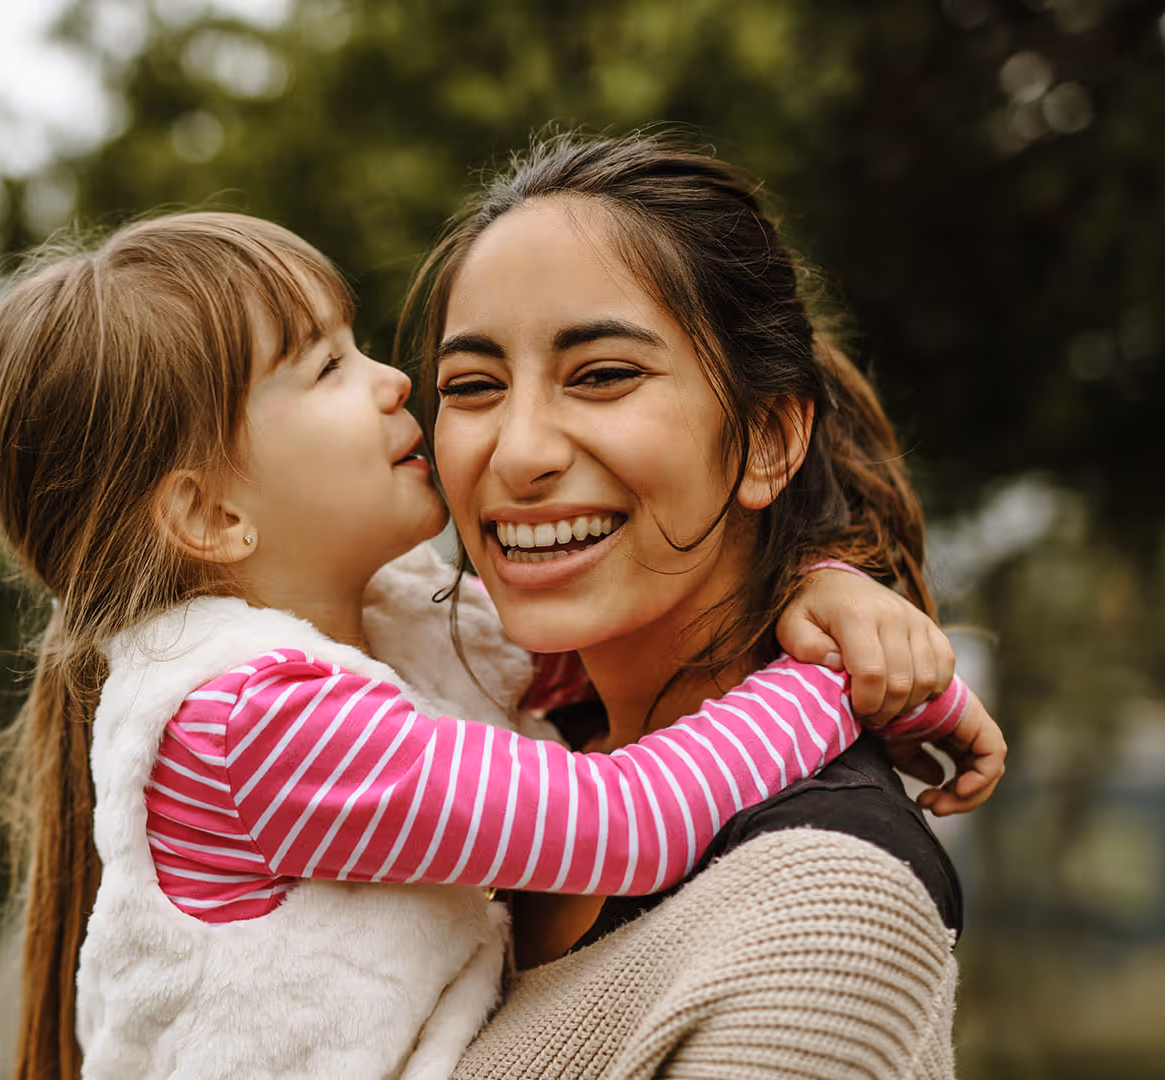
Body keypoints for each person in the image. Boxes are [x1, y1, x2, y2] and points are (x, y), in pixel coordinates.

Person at [0, 211, 1000, 1079]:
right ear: (210, 515)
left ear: (769, 436)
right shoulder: (256, 722)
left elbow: (634, 638)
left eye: (600, 374)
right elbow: (625, 820)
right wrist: (835, 679)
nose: (392, 384)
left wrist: (834, 591)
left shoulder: (394, 627)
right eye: (326, 368)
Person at [402, 133, 1008, 1078]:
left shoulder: (824, 910)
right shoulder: (487, 740)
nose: (517, 454)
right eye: (472, 387)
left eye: (603, 374)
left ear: (768, 439)